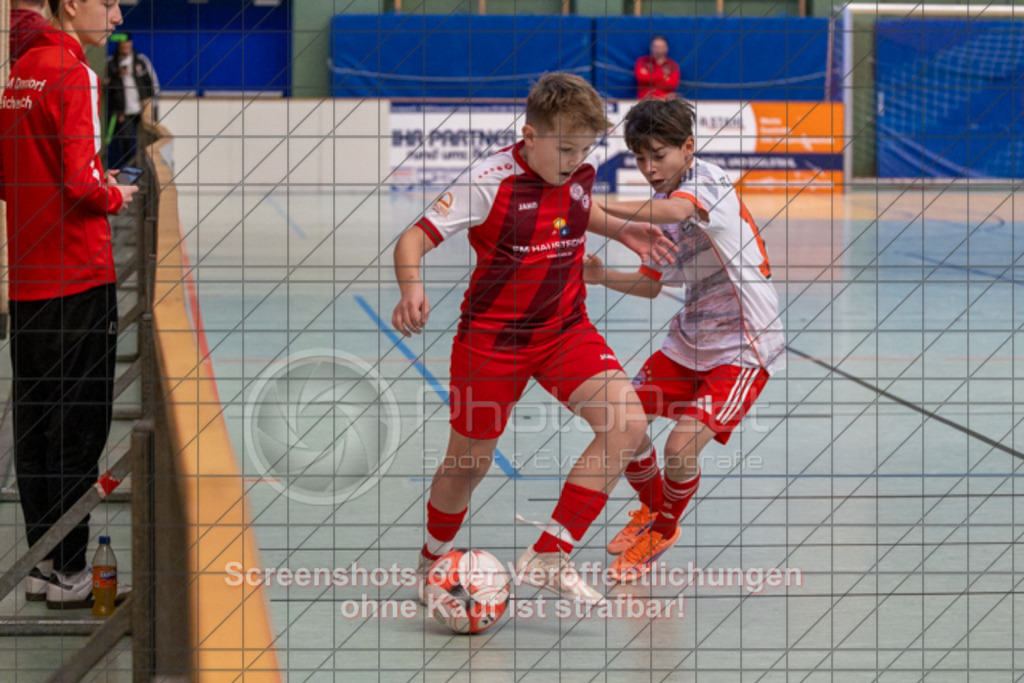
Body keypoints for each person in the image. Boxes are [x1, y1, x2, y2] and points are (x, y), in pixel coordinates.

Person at [392, 73, 677, 604]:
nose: (575, 160)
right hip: (493, 343)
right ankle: (430, 562)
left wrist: (623, 228)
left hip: (565, 329)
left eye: (585, 148)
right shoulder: (488, 180)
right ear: (529, 136)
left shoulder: (579, 171)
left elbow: (573, 202)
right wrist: (412, 288)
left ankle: (550, 555)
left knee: (627, 421)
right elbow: (412, 237)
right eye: (565, 148)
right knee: (468, 465)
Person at [584, 97, 785, 580]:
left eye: (660, 155)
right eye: (640, 158)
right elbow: (654, 284)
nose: (650, 168)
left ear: (688, 148)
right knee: (621, 423)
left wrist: (586, 202)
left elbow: (674, 207)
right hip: (688, 340)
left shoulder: (706, 184)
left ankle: (665, 526)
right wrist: (601, 275)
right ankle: (653, 508)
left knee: (679, 449)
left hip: (744, 345)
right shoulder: (664, 210)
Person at [0, 0, 138, 608]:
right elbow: (84, 182)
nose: (114, 18)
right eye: (108, 4)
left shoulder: (19, 70)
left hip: (28, 281)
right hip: (77, 276)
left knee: (33, 424)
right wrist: (118, 194)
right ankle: (72, 570)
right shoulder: (70, 70)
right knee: (78, 426)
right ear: (73, 4)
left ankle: (41, 564)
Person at [105, 31, 159, 169]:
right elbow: (106, 88)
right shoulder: (111, 63)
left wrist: (153, 105)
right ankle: (129, 176)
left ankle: (142, 172)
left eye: (128, 41)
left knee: (146, 143)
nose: (126, 45)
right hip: (123, 112)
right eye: (123, 42)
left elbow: (153, 83)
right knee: (127, 145)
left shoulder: (141, 60)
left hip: (141, 109)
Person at [635, 35, 680, 100]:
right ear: (651, 47)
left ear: (666, 48)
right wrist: (663, 77)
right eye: (656, 46)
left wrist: (651, 77)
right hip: (645, 101)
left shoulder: (673, 65)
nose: (658, 49)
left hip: (666, 102)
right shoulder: (642, 62)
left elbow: (673, 84)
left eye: (661, 47)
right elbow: (641, 78)